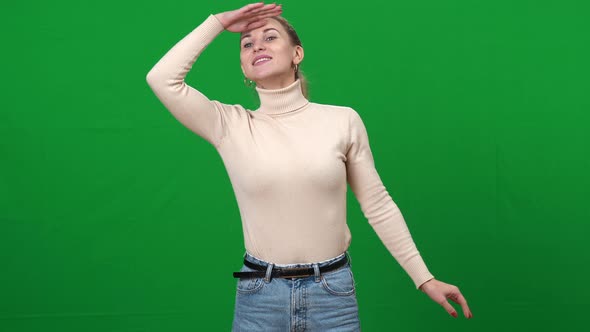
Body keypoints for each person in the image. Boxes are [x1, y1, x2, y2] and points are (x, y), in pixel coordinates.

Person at [146, 2, 473, 330]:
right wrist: (218, 22)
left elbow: (378, 205)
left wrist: (424, 278)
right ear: (244, 67)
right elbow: (162, 79)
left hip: (333, 293)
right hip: (259, 293)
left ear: (297, 54)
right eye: (247, 43)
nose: (257, 45)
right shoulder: (228, 124)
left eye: (270, 37)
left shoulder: (342, 120)